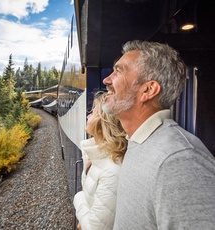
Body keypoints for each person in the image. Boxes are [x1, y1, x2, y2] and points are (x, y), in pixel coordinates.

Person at [102, 40, 215, 229]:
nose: (107, 80)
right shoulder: (140, 142)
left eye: (119, 71)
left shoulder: (179, 161)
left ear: (148, 90)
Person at [73, 92, 127, 230]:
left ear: (103, 122)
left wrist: (78, 198)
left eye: (93, 112)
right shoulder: (96, 157)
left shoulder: (112, 171)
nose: (88, 116)